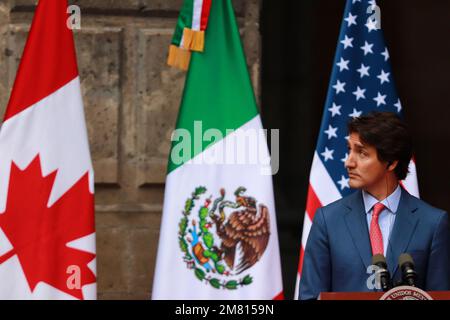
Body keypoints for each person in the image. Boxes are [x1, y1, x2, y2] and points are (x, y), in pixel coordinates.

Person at [299, 112, 449, 300]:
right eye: (349, 150)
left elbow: (440, 296)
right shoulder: (327, 221)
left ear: (391, 162)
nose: (348, 162)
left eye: (362, 153)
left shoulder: (433, 224)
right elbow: (309, 297)